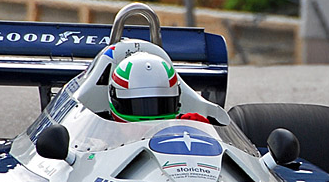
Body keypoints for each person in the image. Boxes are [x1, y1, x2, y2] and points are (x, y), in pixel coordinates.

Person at [75, 40, 229, 125]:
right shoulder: (95, 136)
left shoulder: (191, 123)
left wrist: (200, 129)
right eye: (138, 105)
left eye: (161, 104)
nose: (150, 119)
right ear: (115, 101)